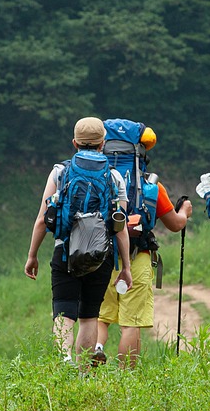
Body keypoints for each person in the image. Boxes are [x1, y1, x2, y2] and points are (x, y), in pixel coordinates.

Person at [25, 117, 132, 365]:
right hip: (99, 255)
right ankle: (84, 375)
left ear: (74, 143)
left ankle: (64, 359)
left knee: (63, 311)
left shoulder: (60, 172)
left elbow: (43, 218)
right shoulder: (115, 177)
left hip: (65, 251)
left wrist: (32, 255)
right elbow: (120, 225)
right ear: (102, 143)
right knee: (89, 315)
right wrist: (126, 267)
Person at [95, 179, 193, 368]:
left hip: (103, 258)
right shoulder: (151, 186)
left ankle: (96, 351)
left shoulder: (100, 179)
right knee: (131, 323)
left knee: (100, 318)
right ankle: (127, 379)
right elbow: (175, 224)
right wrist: (185, 211)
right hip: (136, 258)